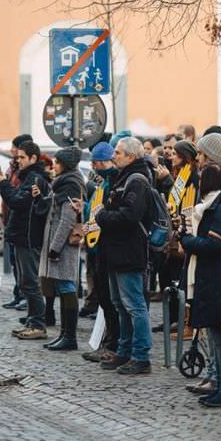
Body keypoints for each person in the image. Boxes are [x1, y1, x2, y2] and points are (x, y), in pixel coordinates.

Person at [180, 163, 221, 407]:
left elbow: (216, 245)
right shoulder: (216, 206)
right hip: (214, 279)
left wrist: (187, 241)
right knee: (218, 338)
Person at [96, 137, 154, 374]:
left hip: (129, 251)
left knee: (134, 306)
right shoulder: (123, 177)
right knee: (120, 305)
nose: (113, 156)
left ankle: (141, 356)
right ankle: (124, 351)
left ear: (131, 156)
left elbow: (130, 215)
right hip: (116, 251)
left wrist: (102, 216)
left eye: (118, 153)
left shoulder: (136, 180)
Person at [33, 147, 86, 350]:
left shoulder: (71, 184)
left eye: (57, 162)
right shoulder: (63, 182)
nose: (53, 165)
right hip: (59, 244)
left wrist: (55, 248)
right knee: (63, 286)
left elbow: (67, 219)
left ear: (65, 164)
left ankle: (70, 337)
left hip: (64, 246)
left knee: (67, 286)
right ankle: (64, 334)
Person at [0, 141, 51, 340]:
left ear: (33, 158)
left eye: (21, 157)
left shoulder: (35, 178)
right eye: (17, 157)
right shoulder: (28, 176)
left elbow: (17, 202)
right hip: (22, 236)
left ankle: (38, 324)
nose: (18, 161)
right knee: (24, 282)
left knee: (30, 282)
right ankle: (32, 320)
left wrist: (3, 183)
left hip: (29, 238)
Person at [81, 142, 123, 364]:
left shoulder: (113, 181)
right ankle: (110, 341)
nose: (95, 167)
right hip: (97, 245)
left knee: (112, 300)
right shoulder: (102, 182)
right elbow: (95, 208)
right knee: (105, 299)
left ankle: (114, 344)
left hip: (108, 247)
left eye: (98, 162)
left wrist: (98, 218)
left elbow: (109, 213)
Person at [2, 134, 34, 312]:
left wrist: (4, 184)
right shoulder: (13, 168)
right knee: (16, 264)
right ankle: (18, 294)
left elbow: (16, 197)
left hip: (23, 227)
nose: (12, 152)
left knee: (25, 268)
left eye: (16, 149)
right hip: (11, 220)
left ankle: (25, 298)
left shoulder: (27, 175)